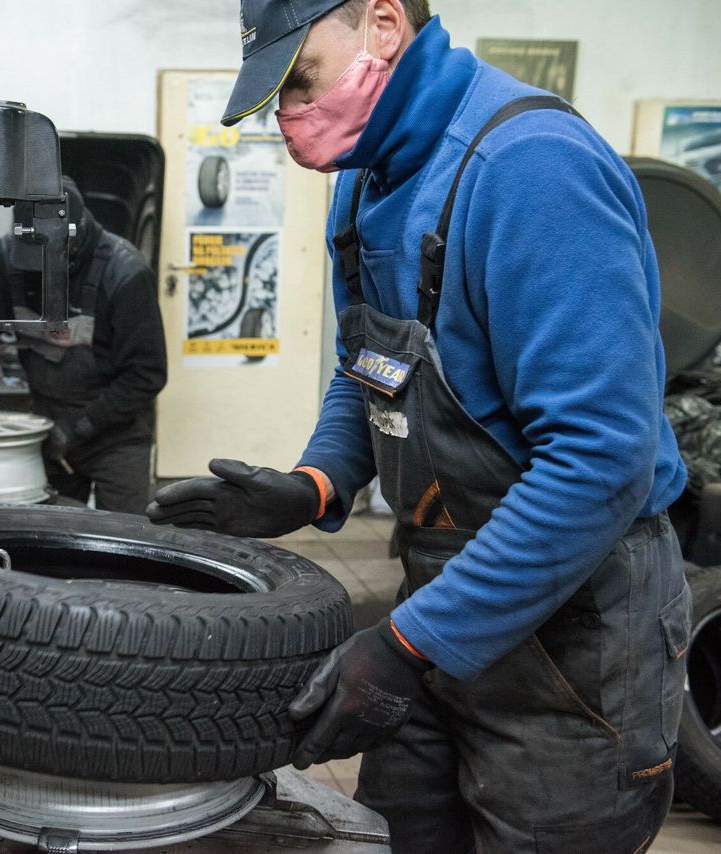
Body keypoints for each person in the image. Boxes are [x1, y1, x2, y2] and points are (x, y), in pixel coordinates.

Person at [147, 1, 690, 850]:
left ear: (385, 25)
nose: (289, 112)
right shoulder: (370, 178)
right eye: (276, 92)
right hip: (443, 593)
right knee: (391, 831)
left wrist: (407, 643)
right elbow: (372, 368)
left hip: (575, 633)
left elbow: (600, 464)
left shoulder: (531, 169)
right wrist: (315, 482)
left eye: (303, 78)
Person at [0, 178, 167, 513]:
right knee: (50, 541)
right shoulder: (9, 257)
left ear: (73, 244)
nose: (36, 275)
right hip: (48, 432)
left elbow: (147, 374)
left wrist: (77, 429)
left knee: (125, 543)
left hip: (115, 438)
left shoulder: (125, 273)